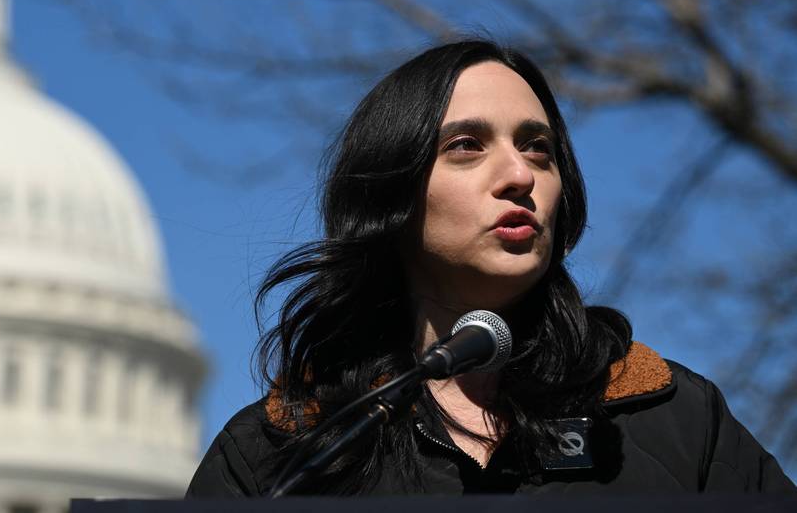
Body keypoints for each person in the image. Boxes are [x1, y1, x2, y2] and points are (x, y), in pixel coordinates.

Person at [186, 40, 795, 495]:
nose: (520, 175)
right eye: (467, 146)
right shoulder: (281, 452)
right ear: (389, 195)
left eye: (538, 148)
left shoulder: (672, 418)